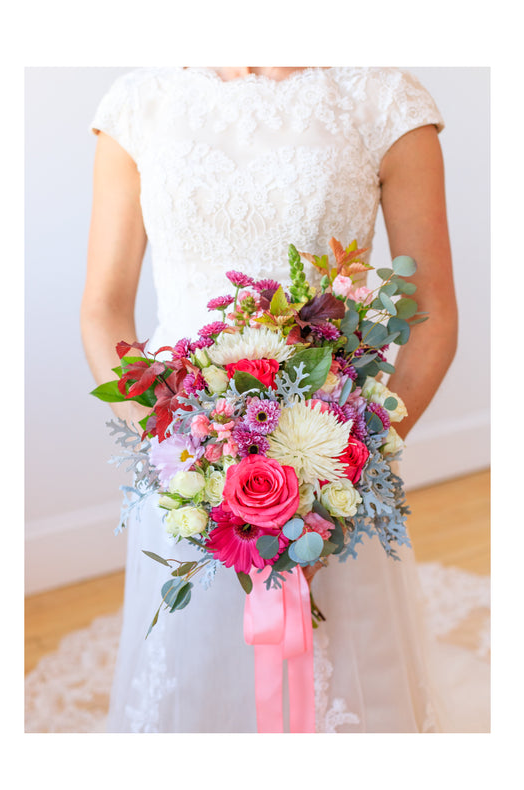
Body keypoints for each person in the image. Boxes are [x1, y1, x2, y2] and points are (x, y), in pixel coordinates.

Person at [81, 66, 458, 733]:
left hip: (335, 455)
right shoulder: (140, 104)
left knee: (346, 669)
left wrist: (348, 462)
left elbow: (430, 317)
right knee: (194, 661)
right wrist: (182, 456)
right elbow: (104, 309)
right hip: (181, 448)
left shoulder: (385, 99)